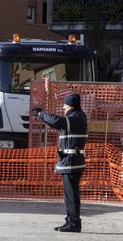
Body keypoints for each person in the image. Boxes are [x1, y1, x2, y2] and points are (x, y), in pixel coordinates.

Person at [32, 93, 88, 232]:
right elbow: (57, 122)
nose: (63, 107)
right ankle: (70, 221)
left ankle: (74, 223)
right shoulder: (76, 117)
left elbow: (57, 121)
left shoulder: (75, 118)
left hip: (72, 163)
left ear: (70, 105)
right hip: (70, 162)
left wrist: (41, 114)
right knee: (69, 195)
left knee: (71, 195)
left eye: (65, 104)